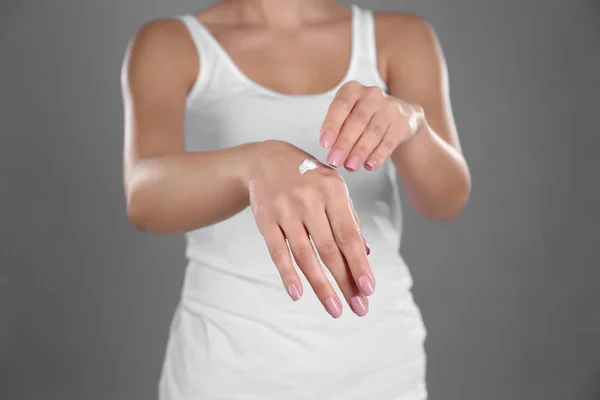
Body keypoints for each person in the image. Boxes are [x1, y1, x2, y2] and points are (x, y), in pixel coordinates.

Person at [121, 0, 471, 398]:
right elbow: (144, 198)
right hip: (224, 370)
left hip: (380, 368)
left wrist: (411, 125)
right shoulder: (170, 44)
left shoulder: (402, 37)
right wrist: (252, 165)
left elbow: (446, 202)